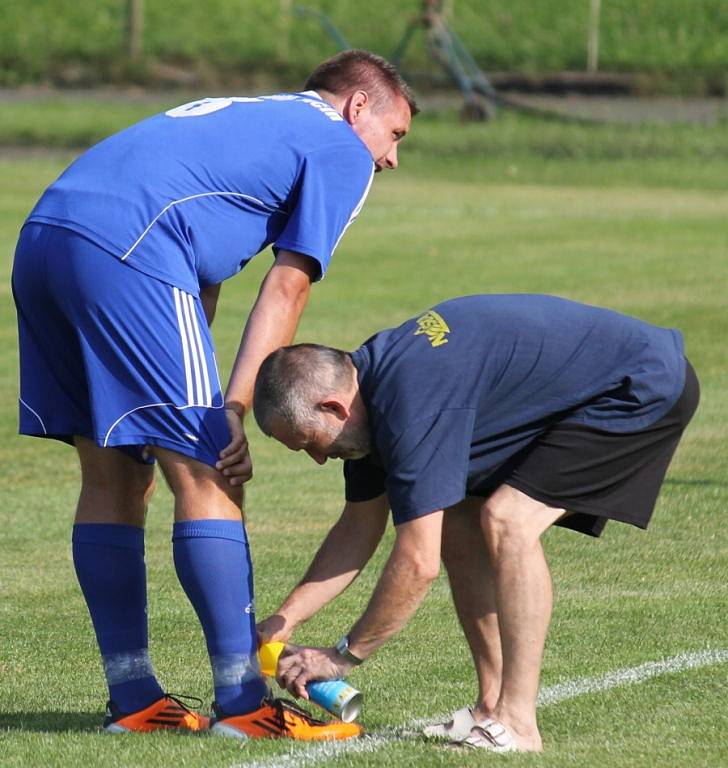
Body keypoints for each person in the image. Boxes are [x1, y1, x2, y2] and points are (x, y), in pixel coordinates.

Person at [11, 49, 417, 740]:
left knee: (116, 472)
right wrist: (228, 410)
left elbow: (206, 261)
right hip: (131, 249)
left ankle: (134, 696)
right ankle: (244, 704)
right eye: (395, 134)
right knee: (210, 472)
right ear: (357, 108)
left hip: (45, 238)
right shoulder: (338, 147)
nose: (390, 159)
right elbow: (289, 283)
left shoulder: (257, 117)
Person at [252, 294, 699, 752]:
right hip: (598, 382)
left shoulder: (411, 404)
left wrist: (343, 656)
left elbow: (417, 563)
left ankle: (519, 723)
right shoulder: (369, 393)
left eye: (310, 443)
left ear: (334, 407)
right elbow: (357, 528)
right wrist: (286, 620)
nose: (320, 458)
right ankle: (490, 707)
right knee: (460, 519)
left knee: (508, 520)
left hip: (638, 384)